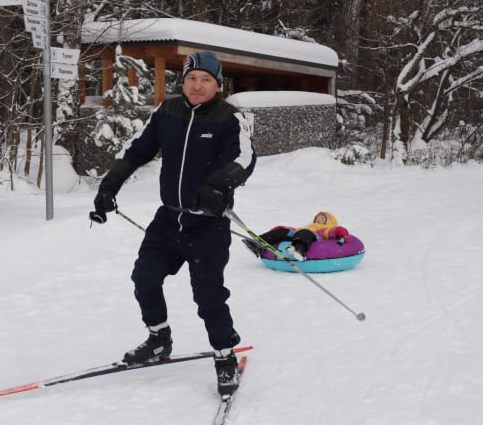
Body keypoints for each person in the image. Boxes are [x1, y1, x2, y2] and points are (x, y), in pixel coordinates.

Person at [89, 50, 256, 396]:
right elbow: (138, 151)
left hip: (208, 224)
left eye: (205, 80)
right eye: (192, 79)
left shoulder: (229, 118)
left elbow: (245, 158)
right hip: (168, 219)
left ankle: (225, 358)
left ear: (217, 85)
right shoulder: (167, 112)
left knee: (208, 295)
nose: (197, 86)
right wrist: (109, 186)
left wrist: (218, 184)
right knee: (144, 278)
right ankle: (158, 340)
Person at [244, 211, 349, 260]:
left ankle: (299, 250)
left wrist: (339, 230)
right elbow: (296, 230)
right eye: (317, 218)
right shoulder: (309, 226)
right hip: (301, 233)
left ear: (329, 222)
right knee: (284, 231)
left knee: (305, 233)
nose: (319, 220)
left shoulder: (326, 228)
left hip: (314, 237)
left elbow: (332, 231)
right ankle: (257, 244)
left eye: (322, 219)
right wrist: (282, 229)